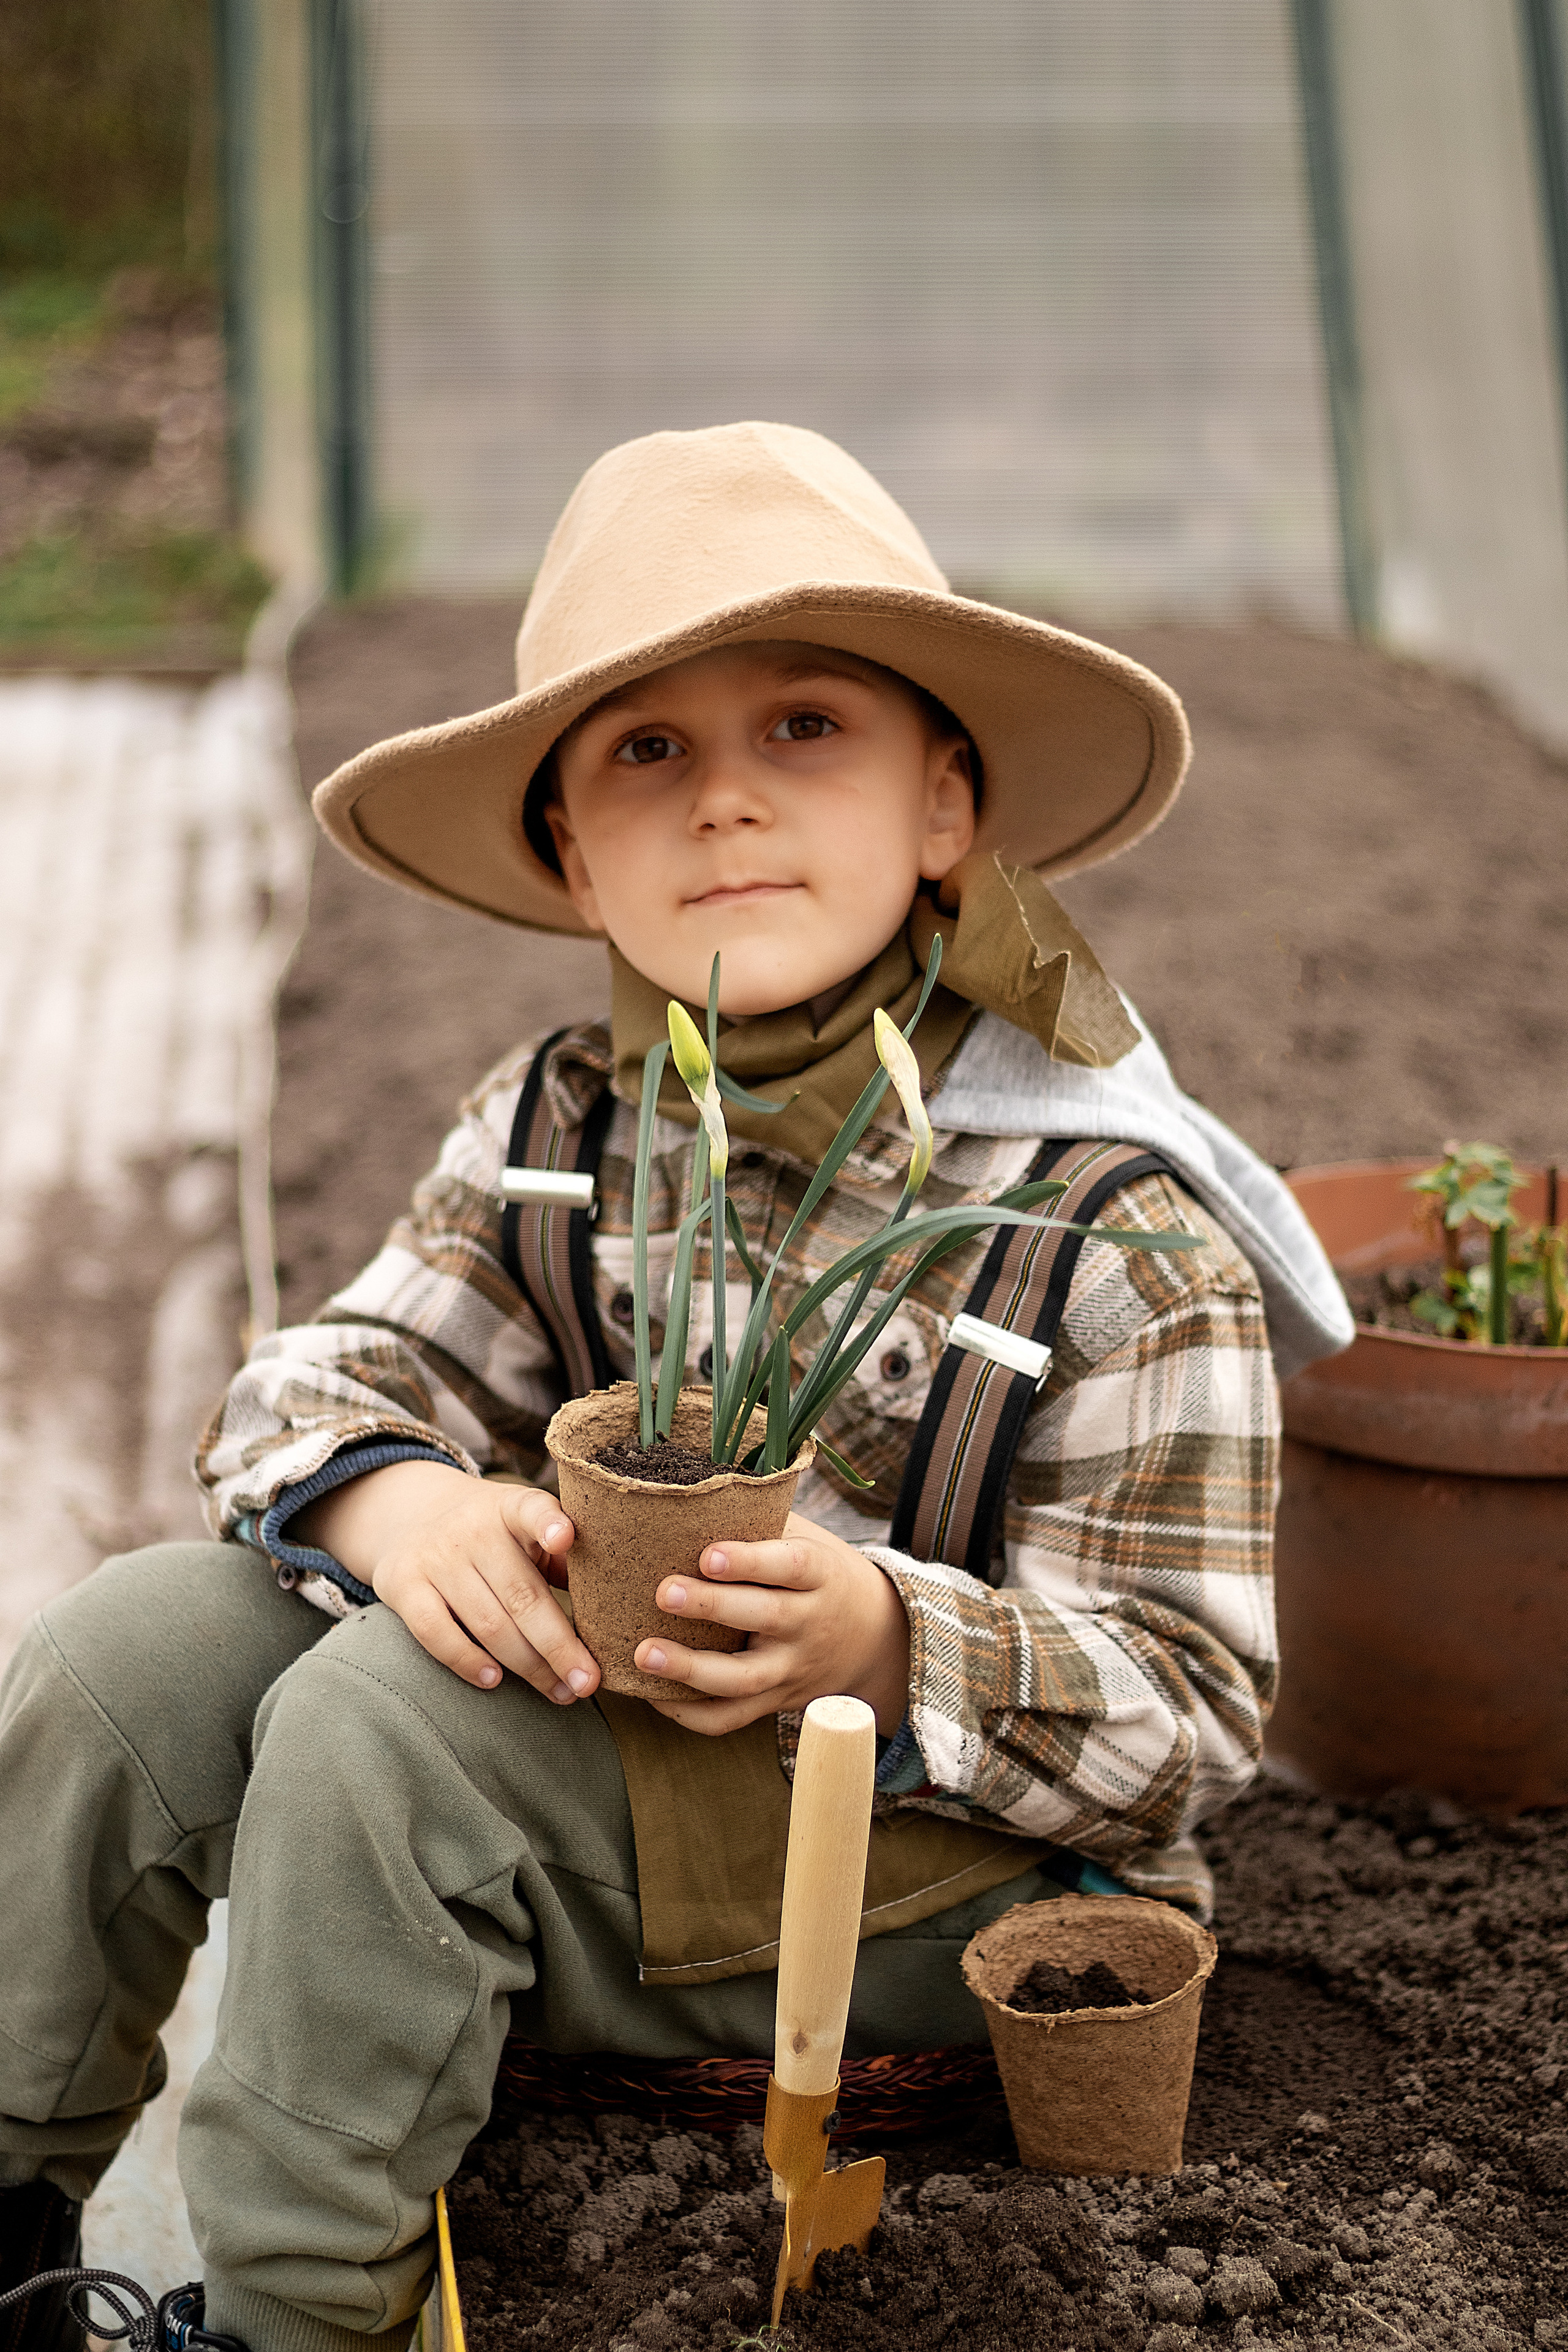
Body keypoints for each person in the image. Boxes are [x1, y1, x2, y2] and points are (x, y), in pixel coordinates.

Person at [0, 422, 1351, 2352]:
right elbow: (323, 1366)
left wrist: (884, 1640)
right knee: (130, 1653)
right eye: (646, 750)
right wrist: (397, 1495)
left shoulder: (1111, 1228)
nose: (726, 802)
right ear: (569, 852)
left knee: (384, 1734)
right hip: (597, 1777)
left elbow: (1198, 1718)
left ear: (946, 804)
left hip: (933, 1880)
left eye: (806, 727)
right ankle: (13, 2209)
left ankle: (304, 2318)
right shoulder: (563, 1125)